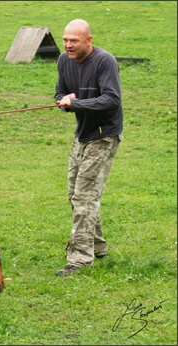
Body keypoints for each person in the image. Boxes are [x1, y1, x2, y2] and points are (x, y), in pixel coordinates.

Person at [54, 19, 123, 276]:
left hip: (104, 135)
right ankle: (97, 246)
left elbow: (112, 99)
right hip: (81, 134)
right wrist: (63, 100)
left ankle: (81, 259)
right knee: (75, 192)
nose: (68, 45)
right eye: (66, 39)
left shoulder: (105, 62)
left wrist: (77, 104)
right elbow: (60, 92)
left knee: (85, 195)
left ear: (89, 40)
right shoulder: (64, 60)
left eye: (74, 40)